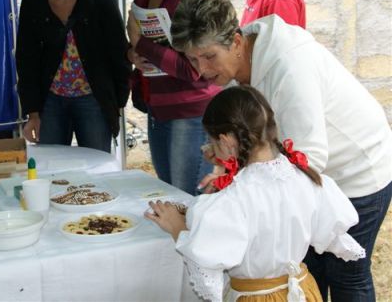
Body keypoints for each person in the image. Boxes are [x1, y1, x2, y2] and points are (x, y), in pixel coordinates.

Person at [170, 0, 392, 301]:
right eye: (192, 59)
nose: (201, 70)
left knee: (346, 276)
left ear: (236, 41)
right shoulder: (239, 61)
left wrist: (242, 187)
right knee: (304, 270)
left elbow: (309, 156)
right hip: (313, 180)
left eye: (208, 57)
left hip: (357, 170)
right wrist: (228, 160)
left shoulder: (290, 65)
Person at [146, 85, 365, 302]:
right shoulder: (308, 180)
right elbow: (328, 233)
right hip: (302, 290)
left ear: (226, 141)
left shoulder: (233, 200)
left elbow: (208, 261)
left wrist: (178, 229)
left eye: (212, 141)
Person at [126, 0, 219, 194]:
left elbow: (196, 69)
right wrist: (132, 53)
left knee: (187, 199)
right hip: (157, 104)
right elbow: (136, 39)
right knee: (169, 193)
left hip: (191, 110)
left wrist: (141, 45)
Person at [16, 0, 130, 153]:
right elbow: (26, 58)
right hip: (49, 101)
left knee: (97, 165)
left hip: (93, 101)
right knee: (50, 167)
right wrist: (32, 112)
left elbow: (120, 54)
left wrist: (117, 103)